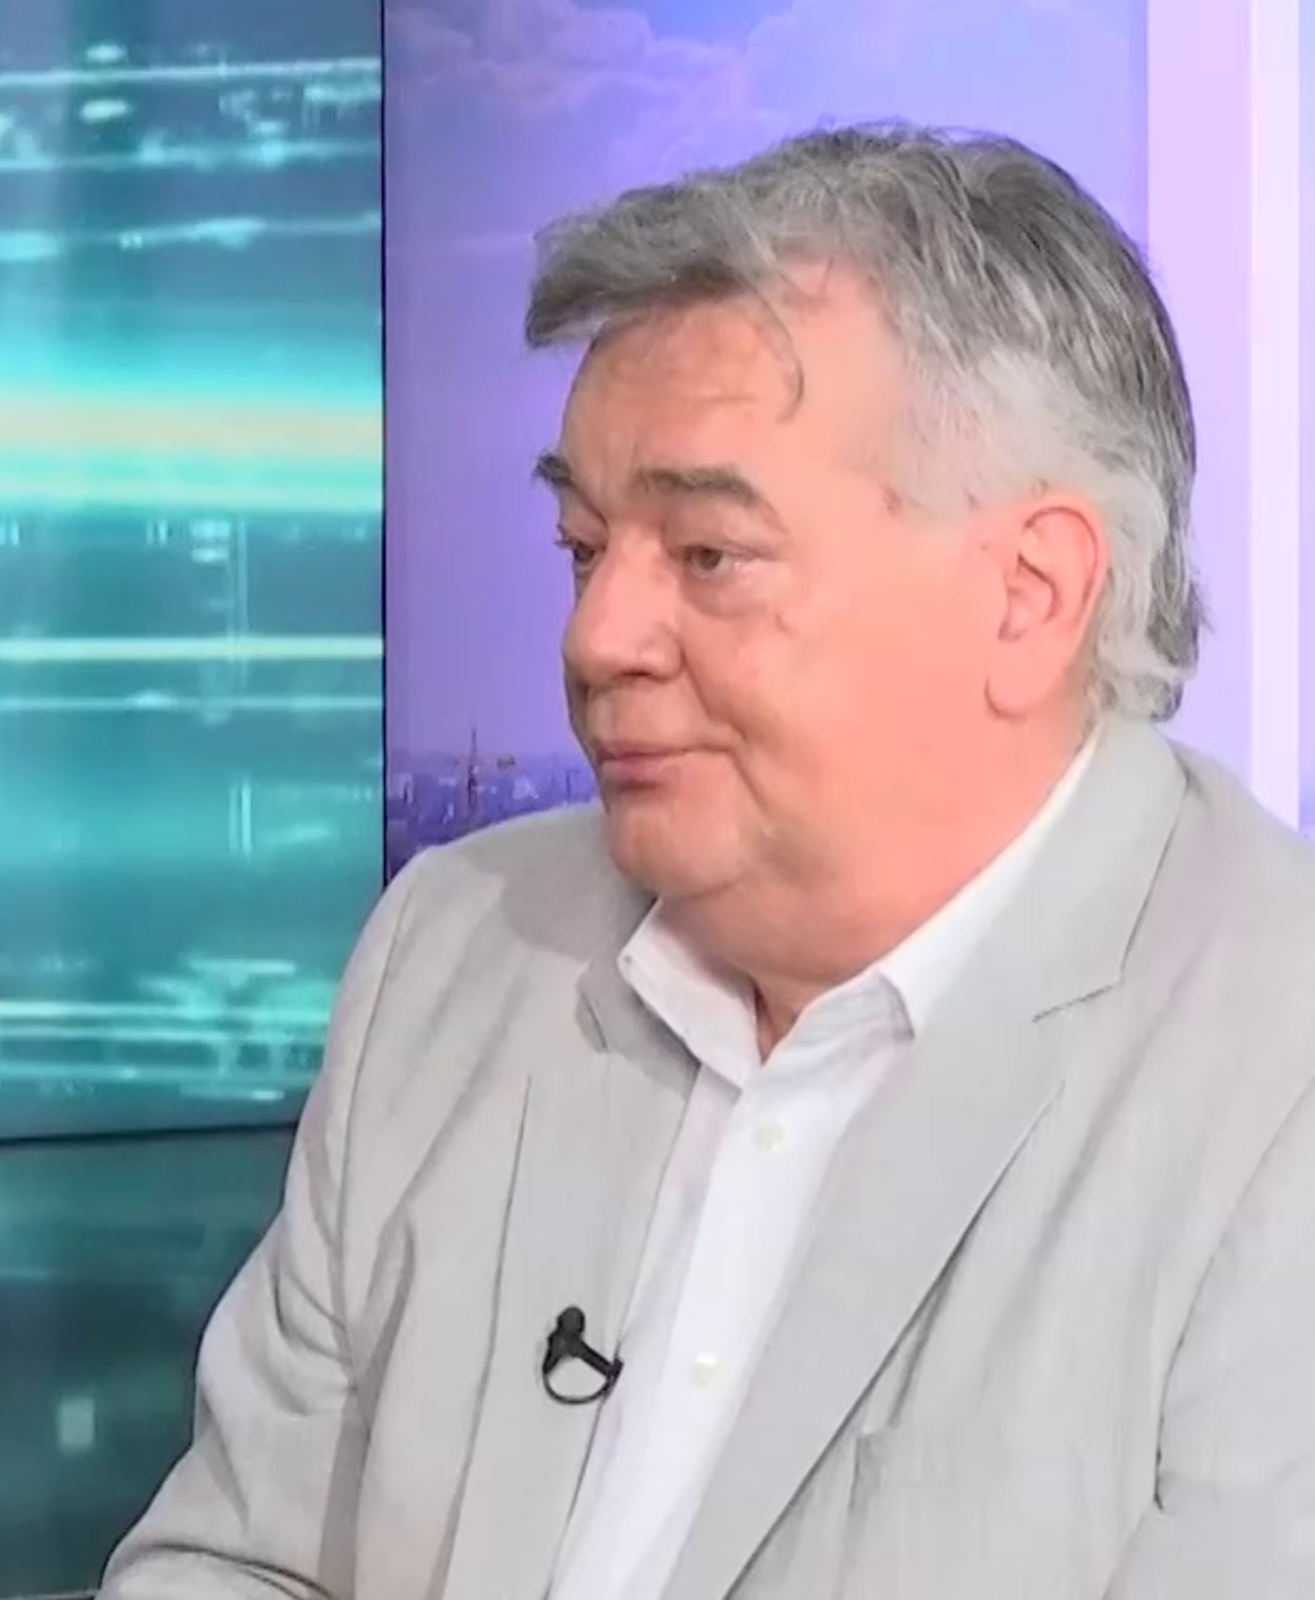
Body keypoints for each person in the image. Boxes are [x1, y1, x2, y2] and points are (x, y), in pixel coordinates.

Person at [99, 123, 1315, 1600]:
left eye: (709, 556)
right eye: (583, 548)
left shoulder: (1275, 1073)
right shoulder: (456, 949)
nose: (596, 639)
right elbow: (240, 1560)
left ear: (1029, 595)